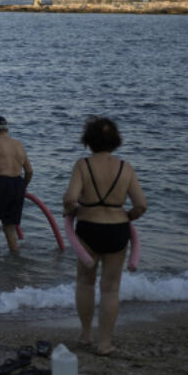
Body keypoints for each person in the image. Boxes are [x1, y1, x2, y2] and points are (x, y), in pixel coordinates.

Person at [62, 116, 146, 356]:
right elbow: (141, 205)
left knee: (85, 282)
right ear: (116, 140)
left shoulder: (83, 165)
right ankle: (105, 343)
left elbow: (70, 199)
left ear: (88, 140)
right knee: (110, 289)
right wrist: (126, 218)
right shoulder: (125, 167)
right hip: (117, 230)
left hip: (88, 227)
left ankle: (86, 334)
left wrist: (73, 211)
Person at [0, 115, 32, 255]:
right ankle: (15, 260)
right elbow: (29, 171)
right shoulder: (19, 144)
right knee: (10, 226)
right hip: (17, 184)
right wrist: (23, 187)